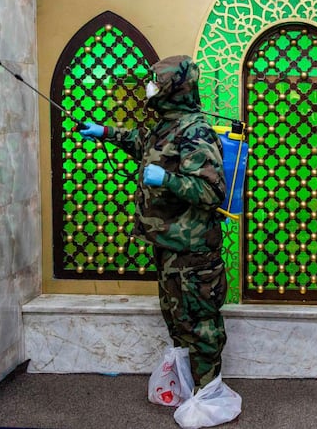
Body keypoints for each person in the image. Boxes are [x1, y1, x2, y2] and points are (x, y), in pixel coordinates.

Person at [79, 55, 228, 392]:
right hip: (169, 246)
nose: (149, 87)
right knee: (177, 321)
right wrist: (103, 132)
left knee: (201, 324)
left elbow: (210, 191)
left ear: (174, 88)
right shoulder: (166, 124)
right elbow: (141, 143)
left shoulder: (196, 131)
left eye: (155, 81)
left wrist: (168, 180)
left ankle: (208, 396)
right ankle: (190, 390)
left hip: (193, 251)